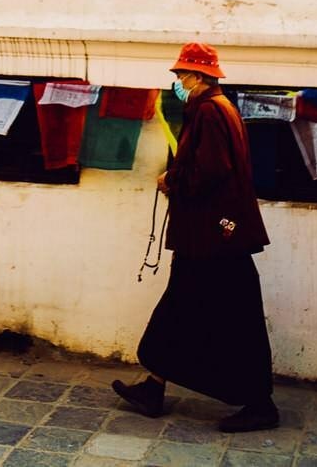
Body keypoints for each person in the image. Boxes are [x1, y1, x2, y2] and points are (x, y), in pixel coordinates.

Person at [112, 42, 279, 433]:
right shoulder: (220, 108)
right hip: (212, 235)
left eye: (182, 75)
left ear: (200, 77)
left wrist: (172, 179)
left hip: (213, 237)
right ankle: (154, 388)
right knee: (181, 309)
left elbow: (212, 170)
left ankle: (259, 404)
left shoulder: (208, 110)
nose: (178, 82)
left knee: (232, 317)